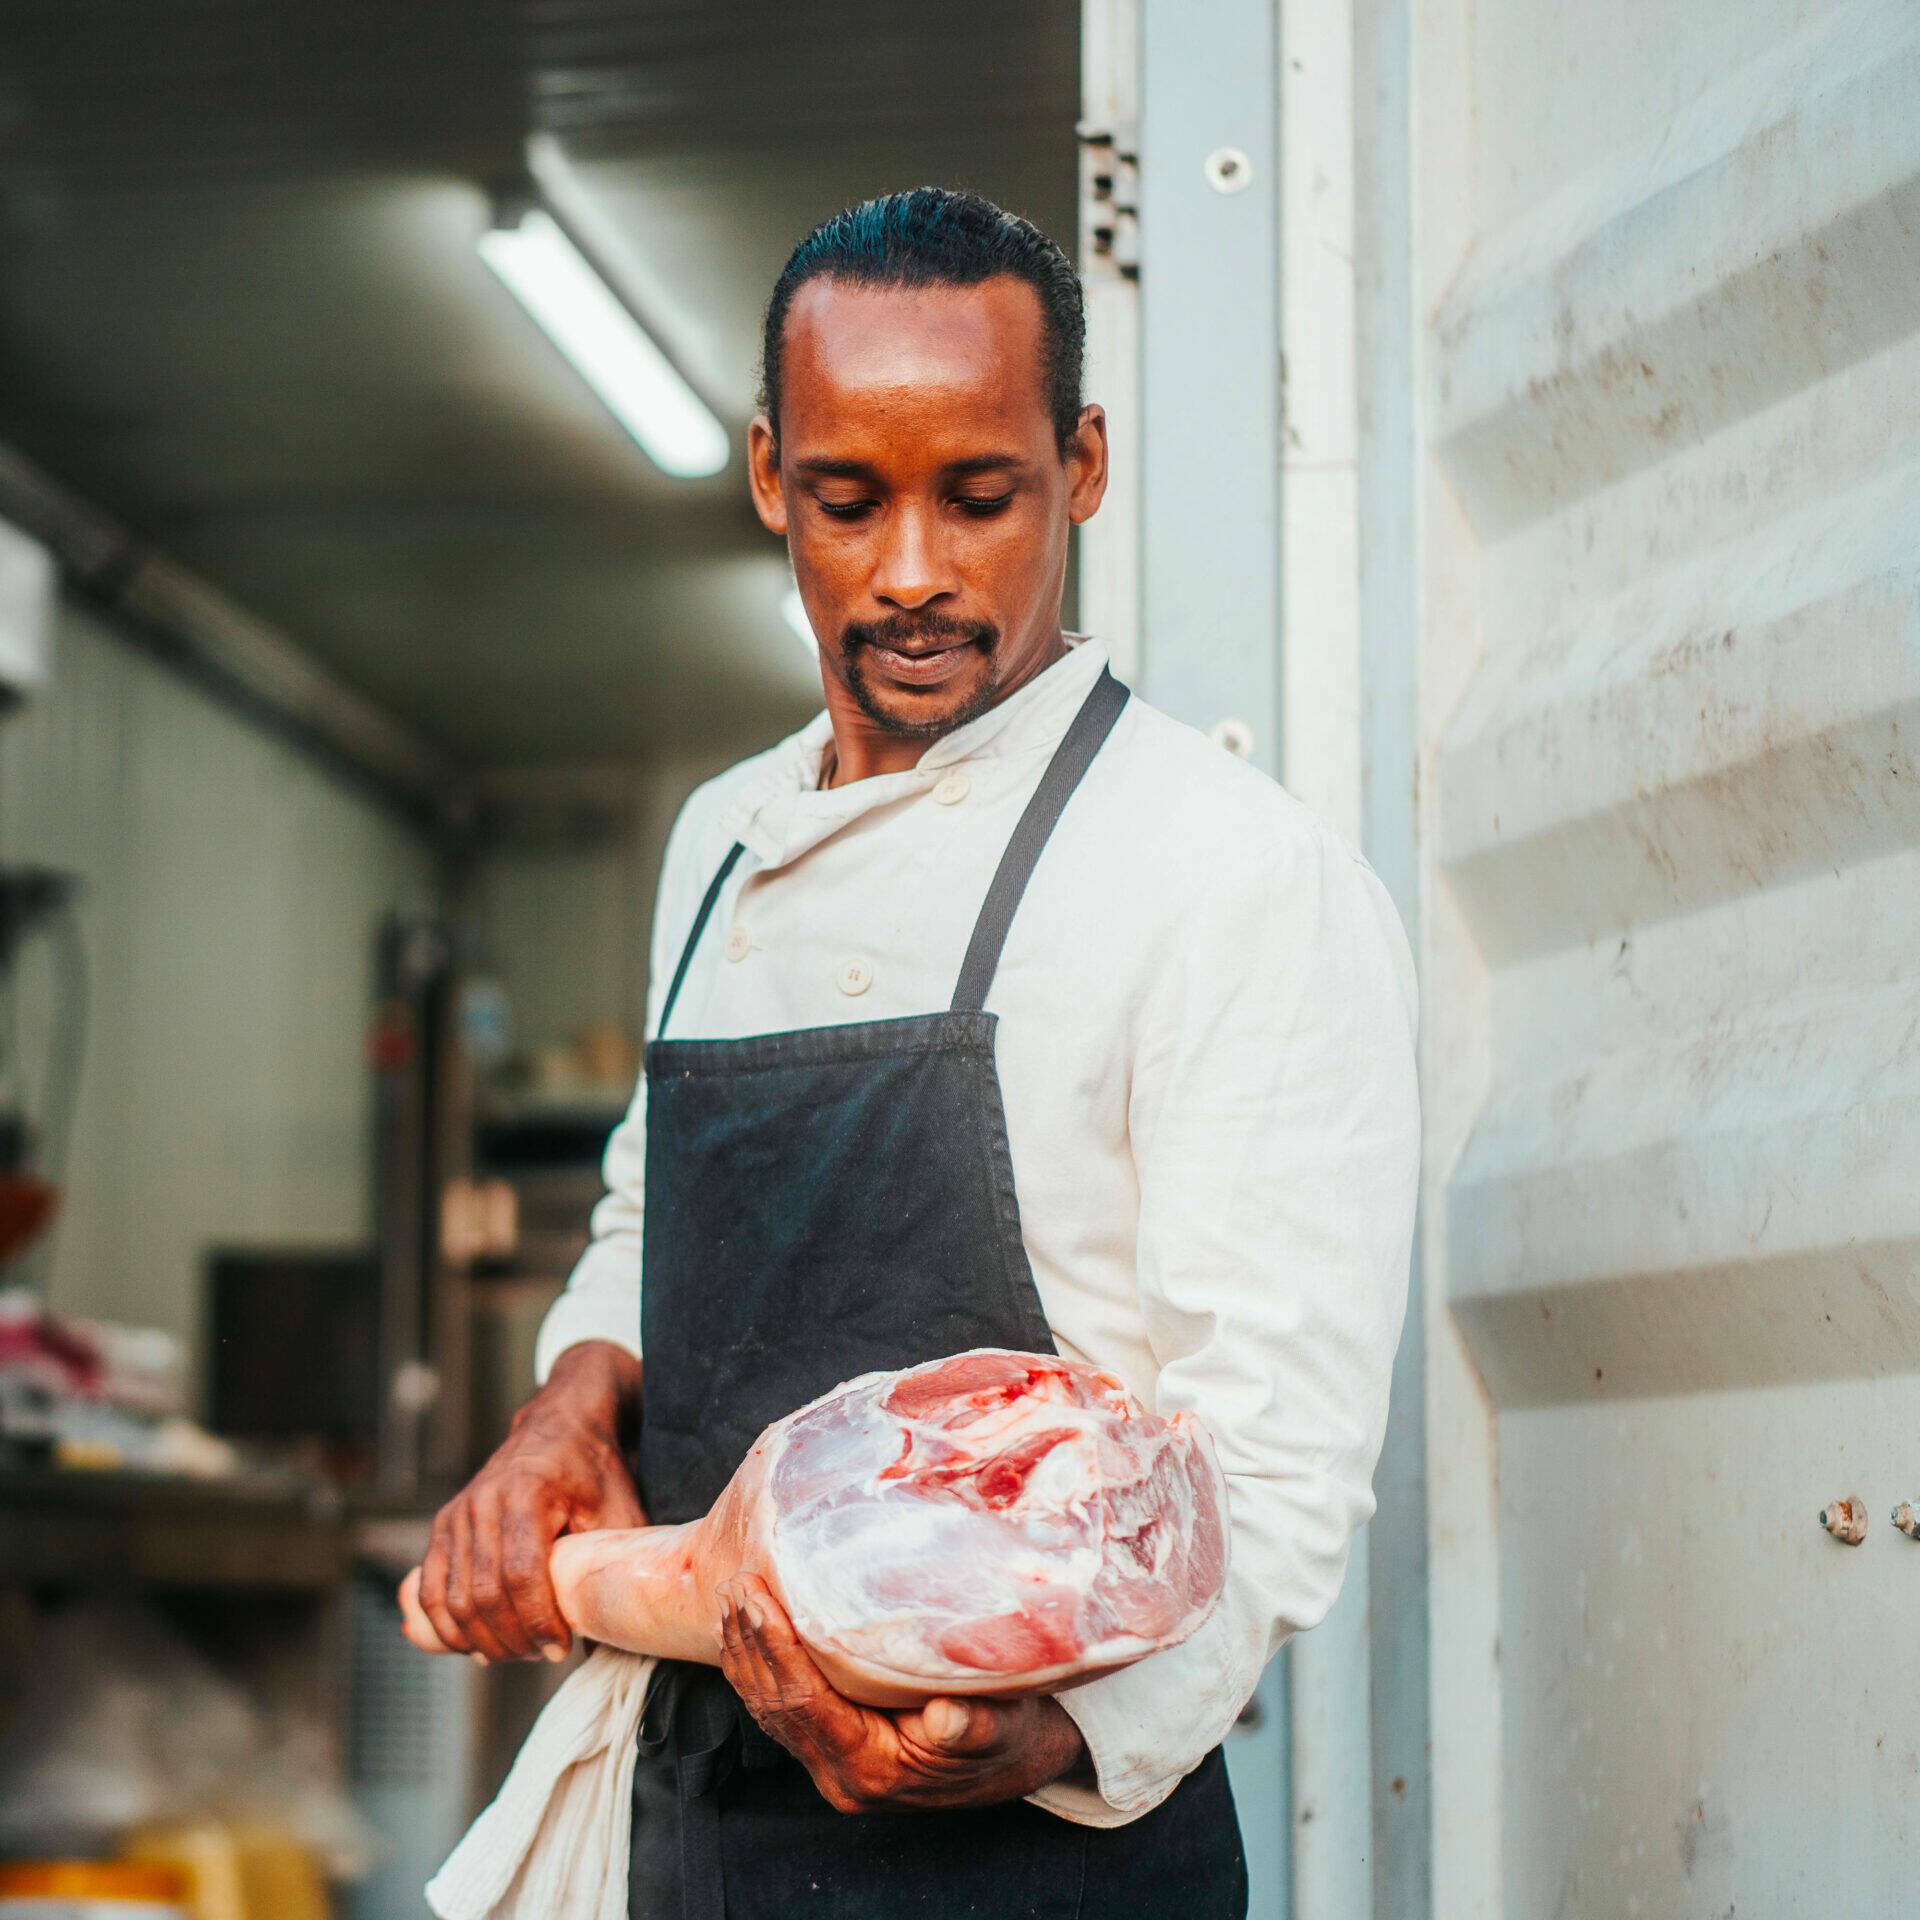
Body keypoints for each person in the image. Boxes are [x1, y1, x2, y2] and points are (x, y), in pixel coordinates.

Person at [413, 187, 1419, 1919]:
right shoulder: (719, 838)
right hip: (696, 1811)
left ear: (1082, 463)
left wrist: (1049, 1728)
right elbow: (651, 1221)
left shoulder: (1227, 871)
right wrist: (568, 1407)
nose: (911, 574)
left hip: (1039, 1851)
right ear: (765, 479)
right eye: (846, 498)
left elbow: (1274, 1464)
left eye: (980, 495)